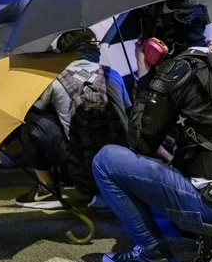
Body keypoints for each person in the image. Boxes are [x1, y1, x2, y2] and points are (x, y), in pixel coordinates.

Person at [91, 0, 212, 262]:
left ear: (158, 43)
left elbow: (138, 144)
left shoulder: (176, 72)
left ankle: (152, 254)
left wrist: (145, 76)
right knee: (156, 183)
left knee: (106, 160)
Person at [14, 29, 131, 209]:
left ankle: (48, 189)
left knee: (33, 122)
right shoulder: (112, 74)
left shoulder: (55, 77)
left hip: (83, 171)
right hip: (122, 168)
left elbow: (34, 108)